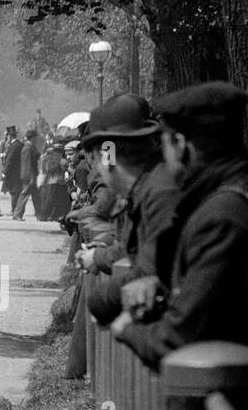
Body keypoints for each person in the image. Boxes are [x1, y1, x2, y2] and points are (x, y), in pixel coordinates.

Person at [112, 83, 248, 395]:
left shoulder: (222, 216)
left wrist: (128, 330)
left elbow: (181, 336)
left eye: (164, 143)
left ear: (180, 143)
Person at [74, 95, 181, 325]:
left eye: (96, 159)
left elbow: (149, 270)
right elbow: (135, 250)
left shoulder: (159, 193)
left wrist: (100, 300)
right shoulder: (148, 189)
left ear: (108, 158)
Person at [12, 129, 41, 220]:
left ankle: (40, 215)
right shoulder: (28, 148)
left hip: (29, 174)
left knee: (35, 195)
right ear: (32, 138)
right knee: (25, 194)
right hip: (29, 175)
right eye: (35, 137)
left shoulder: (29, 147)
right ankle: (17, 214)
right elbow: (28, 163)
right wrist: (32, 176)